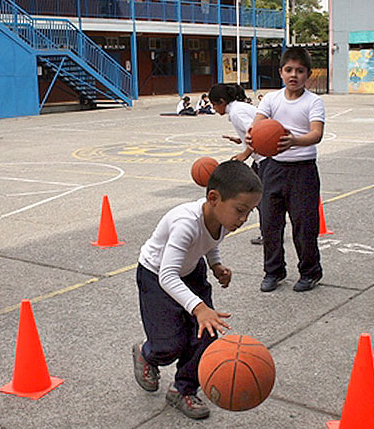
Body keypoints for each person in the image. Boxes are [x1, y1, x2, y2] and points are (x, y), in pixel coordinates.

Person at [132, 160, 262, 420]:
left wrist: (216, 264)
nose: (243, 219)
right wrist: (199, 307)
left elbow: (210, 240)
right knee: (169, 344)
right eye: (240, 210)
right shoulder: (185, 223)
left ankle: (183, 389)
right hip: (156, 276)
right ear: (213, 198)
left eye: (250, 212)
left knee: (205, 336)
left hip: (191, 272)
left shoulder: (223, 218)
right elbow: (167, 276)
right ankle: (147, 353)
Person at [245, 47, 325, 293]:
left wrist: (294, 141)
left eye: (300, 71)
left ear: (307, 75)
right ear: (280, 72)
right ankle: (273, 271)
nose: (294, 75)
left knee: (304, 226)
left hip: (303, 170)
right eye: (289, 70)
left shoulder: (313, 101)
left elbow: (316, 133)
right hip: (272, 168)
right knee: (270, 224)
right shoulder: (271, 99)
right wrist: (251, 138)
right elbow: (257, 126)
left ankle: (310, 272)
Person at [209, 83, 264, 245]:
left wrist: (244, 154)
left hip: (265, 159)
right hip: (261, 158)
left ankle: (269, 233)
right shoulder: (239, 108)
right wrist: (240, 139)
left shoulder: (236, 112)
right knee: (260, 199)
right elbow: (252, 129)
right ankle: (268, 232)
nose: (213, 108)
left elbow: (257, 134)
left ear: (221, 101)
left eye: (214, 105)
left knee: (261, 199)